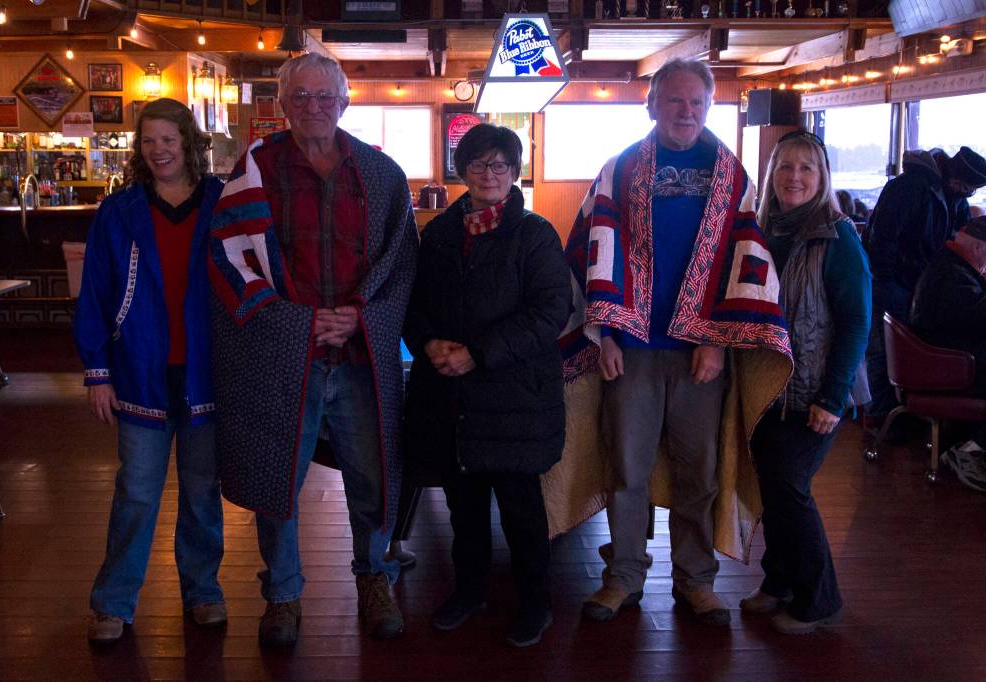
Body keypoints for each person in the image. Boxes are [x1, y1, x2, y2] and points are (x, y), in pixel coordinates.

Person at [558, 58, 793, 628]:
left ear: (710, 107)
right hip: (632, 351)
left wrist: (715, 341)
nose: (686, 112)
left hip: (699, 356)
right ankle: (624, 577)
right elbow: (590, 253)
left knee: (700, 471)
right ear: (652, 105)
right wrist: (606, 333)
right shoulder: (619, 169)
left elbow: (744, 263)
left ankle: (695, 581)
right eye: (675, 101)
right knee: (627, 468)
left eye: (697, 103)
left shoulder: (731, 176)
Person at [208, 54, 418, 646]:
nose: (313, 107)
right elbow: (229, 258)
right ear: (281, 104)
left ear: (345, 102)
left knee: (372, 476)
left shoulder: (380, 174)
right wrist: (297, 324)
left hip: (359, 357)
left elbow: (401, 263)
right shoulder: (255, 170)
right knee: (278, 476)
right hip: (281, 356)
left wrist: (358, 317)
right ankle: (283, 593)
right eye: (299, 96)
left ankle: (374, 577)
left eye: (325, 96)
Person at [403, 124, 571, 647]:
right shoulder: (439, 233)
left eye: (500, 165)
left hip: (515, 397)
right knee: (464, 507)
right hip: (451, 397)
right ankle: (469, 591)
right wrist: (429, 343)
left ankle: (535, 603)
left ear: (515, 171)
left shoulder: (536, 234)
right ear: (462, 170)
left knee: (522, 509)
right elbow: (415, 302)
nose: (490, 175)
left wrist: (479, 353)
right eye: (478, 165)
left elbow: (551, 313)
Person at [74, 98, 226, 642]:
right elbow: (94, 291)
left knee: (202, 492)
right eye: (148, 141)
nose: (158, 150)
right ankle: (114, 602)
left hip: (207, 374)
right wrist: (97, 369)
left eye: (168, 138)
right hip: (139, 370)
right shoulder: (119, 211)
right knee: (136, 492)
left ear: (189, 142)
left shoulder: (221, 202)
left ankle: (203, 591)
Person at [743, 131, 871, 635]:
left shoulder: (837, 237)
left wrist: (832, 397)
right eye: (785, 167)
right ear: (771, 174)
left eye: (806, 169)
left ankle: (819, 598)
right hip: (766, 390)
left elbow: (857, 322)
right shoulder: (761, 230)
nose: (794, 177)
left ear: (822, 179)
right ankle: (778, 582)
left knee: (790, 487)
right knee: (774, 488)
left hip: (816, 392)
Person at [863, 146, 986, 420]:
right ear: (957, 176)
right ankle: (881, 415)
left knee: (900, 351)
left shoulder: (954, 198)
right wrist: (886, 278)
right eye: (969, 186)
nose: (969, 192)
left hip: (917, 284)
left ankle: (900, 414)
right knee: (884, 351)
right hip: (894, 282)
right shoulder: (911, 187)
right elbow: (883, 236)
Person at [910, 216, 986, 492]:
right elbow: (976, 319)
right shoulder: (954, 275)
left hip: (947, 359)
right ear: (980, 248)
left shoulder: (949, 266)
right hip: (951, 366)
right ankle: (972, 450)